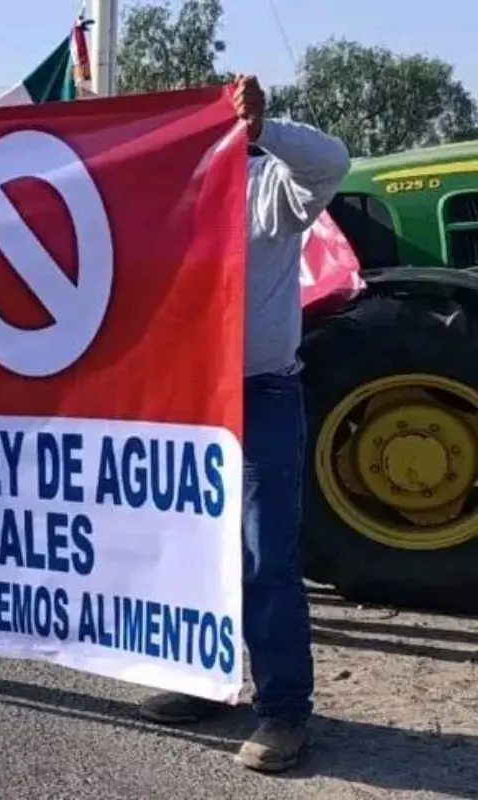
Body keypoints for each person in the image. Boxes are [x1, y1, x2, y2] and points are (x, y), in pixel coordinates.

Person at [137, 75, 350, 774]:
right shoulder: (152, 202)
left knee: (265, 559)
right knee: (190, 547)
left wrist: (265, 129)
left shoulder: (267, 187)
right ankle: (203, 680)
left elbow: (332, 163)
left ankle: (285, 711)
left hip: (258, 393)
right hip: (184, 399)